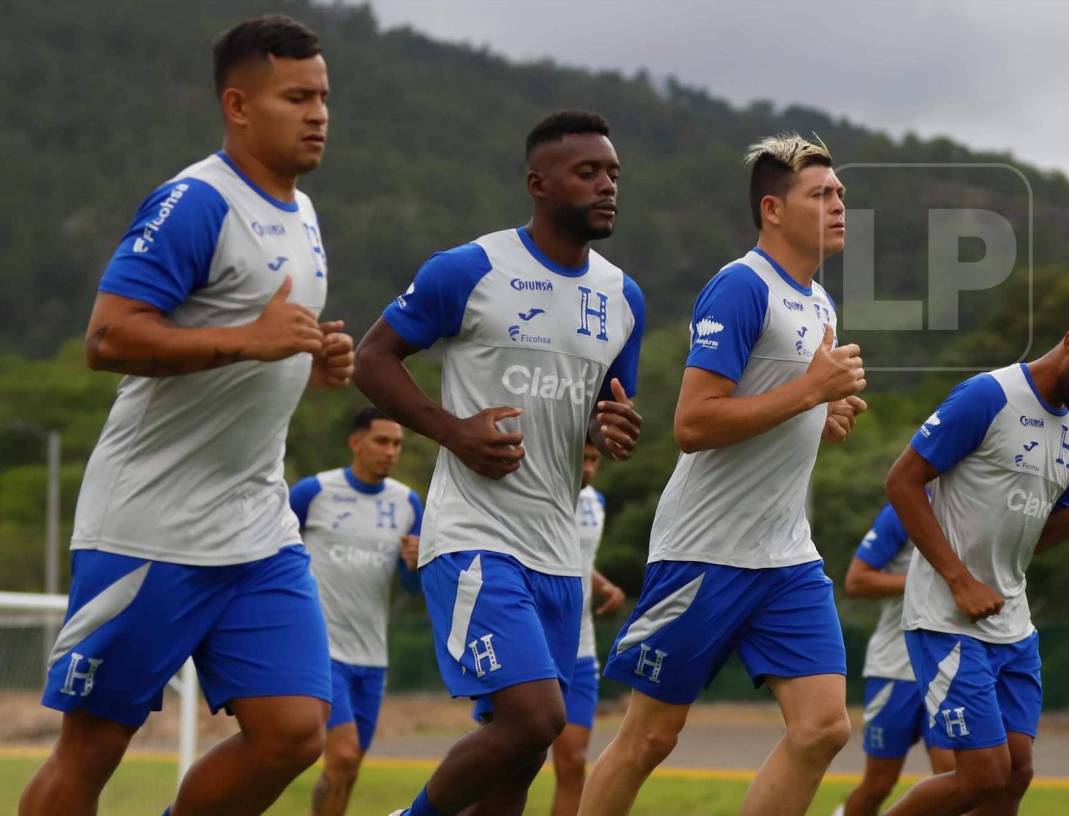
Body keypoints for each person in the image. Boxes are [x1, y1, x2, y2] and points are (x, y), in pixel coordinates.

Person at [19, 15, 352, 816]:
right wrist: (250, 342)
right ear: (238, 106)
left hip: (256, 525)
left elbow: (256, 344)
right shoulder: (196, 202)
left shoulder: (303, 214)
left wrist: (308, 360)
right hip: (149, 529)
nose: (318, 114)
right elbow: (108, 337)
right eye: (296, 97)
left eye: (323, 97)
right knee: (93, 748)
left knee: (293, 734)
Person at [353, 110, 644, 816]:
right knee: (535, 719)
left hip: (558, 555)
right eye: (587, 173)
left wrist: (611, 428)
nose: (607, 186)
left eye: (612, 174)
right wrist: (452, 431)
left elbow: (603, 414)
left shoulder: (622, 297)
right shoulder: (471, 269)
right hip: (475, 538)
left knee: (520, 756)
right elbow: (371, 359)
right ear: (538, 185)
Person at [579, 133, 868, 816]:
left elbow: (775, 400)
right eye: (820, 194)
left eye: (840, 194)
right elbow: (694, 423)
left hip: (786, 556)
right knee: (650, 738)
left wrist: (820, 412)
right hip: (705, 552)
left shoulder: (819, 303)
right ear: (773, 209)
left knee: (823, 727)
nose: (838, 205)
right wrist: (809, 393)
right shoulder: (741, 287)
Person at [880, 301, 1069, 816]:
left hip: (1012, 624)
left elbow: (1039, 537)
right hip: (946, 617)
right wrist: (959, 581)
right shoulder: (989, 396)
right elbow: (901, 482)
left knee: (1016, 774)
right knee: (983, 774)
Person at [292, 408, 425, 815]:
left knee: (348, 767)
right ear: (355, 442)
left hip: (372, 656)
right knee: (343, 754)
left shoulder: (407, 502)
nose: (391, 451)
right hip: (322, 650)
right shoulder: (314, 492)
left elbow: (413, 586)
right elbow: (270, 552)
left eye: (397, 444)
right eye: (382, 441)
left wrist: (415, 565)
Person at [834, 497, 954, 816]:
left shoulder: (975, 506)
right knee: (879, 784)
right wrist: (938, 579)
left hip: (950, 668)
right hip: (895, 668)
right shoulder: (905, 508)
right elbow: (857, 580)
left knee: (954, 779)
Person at [550, 440, 626, 816]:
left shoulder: (597, 502)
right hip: (533, 648)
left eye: (595, 459)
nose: (589, 468)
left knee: (573, 762)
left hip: (580, 649)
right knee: (511, 762)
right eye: (582, 458)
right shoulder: (536, 495)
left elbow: (582, 558)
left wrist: (603, 584)